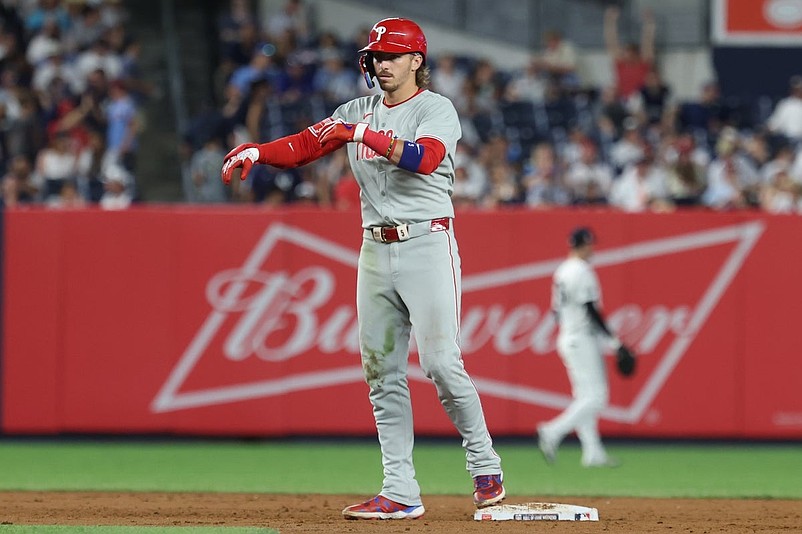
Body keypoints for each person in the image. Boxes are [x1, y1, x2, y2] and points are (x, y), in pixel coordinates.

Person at [220, 17, 504, 519]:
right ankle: (400, 490)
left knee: (440, 363)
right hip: (375, 249)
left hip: (426, 244)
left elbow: (422, 158)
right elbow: (307, 145)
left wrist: (361, 134)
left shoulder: (436, 108)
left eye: (392, 55)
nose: (382, 63)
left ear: (417, 61)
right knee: (382, 373)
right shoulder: (357, 110)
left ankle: (483, 462)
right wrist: (258, 151)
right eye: (376, 55)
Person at [537, 227, 623, 468]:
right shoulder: (582, 271)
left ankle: (593, 453)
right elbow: (590, 309)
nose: (592, 248)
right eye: (590, 244)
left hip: (567, 336)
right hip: (581, 337)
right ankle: (552, 431)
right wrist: (614, 342)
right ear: (583, 245)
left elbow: (556, 312)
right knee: (597, 398)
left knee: (584, 397)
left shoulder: (562, 270)